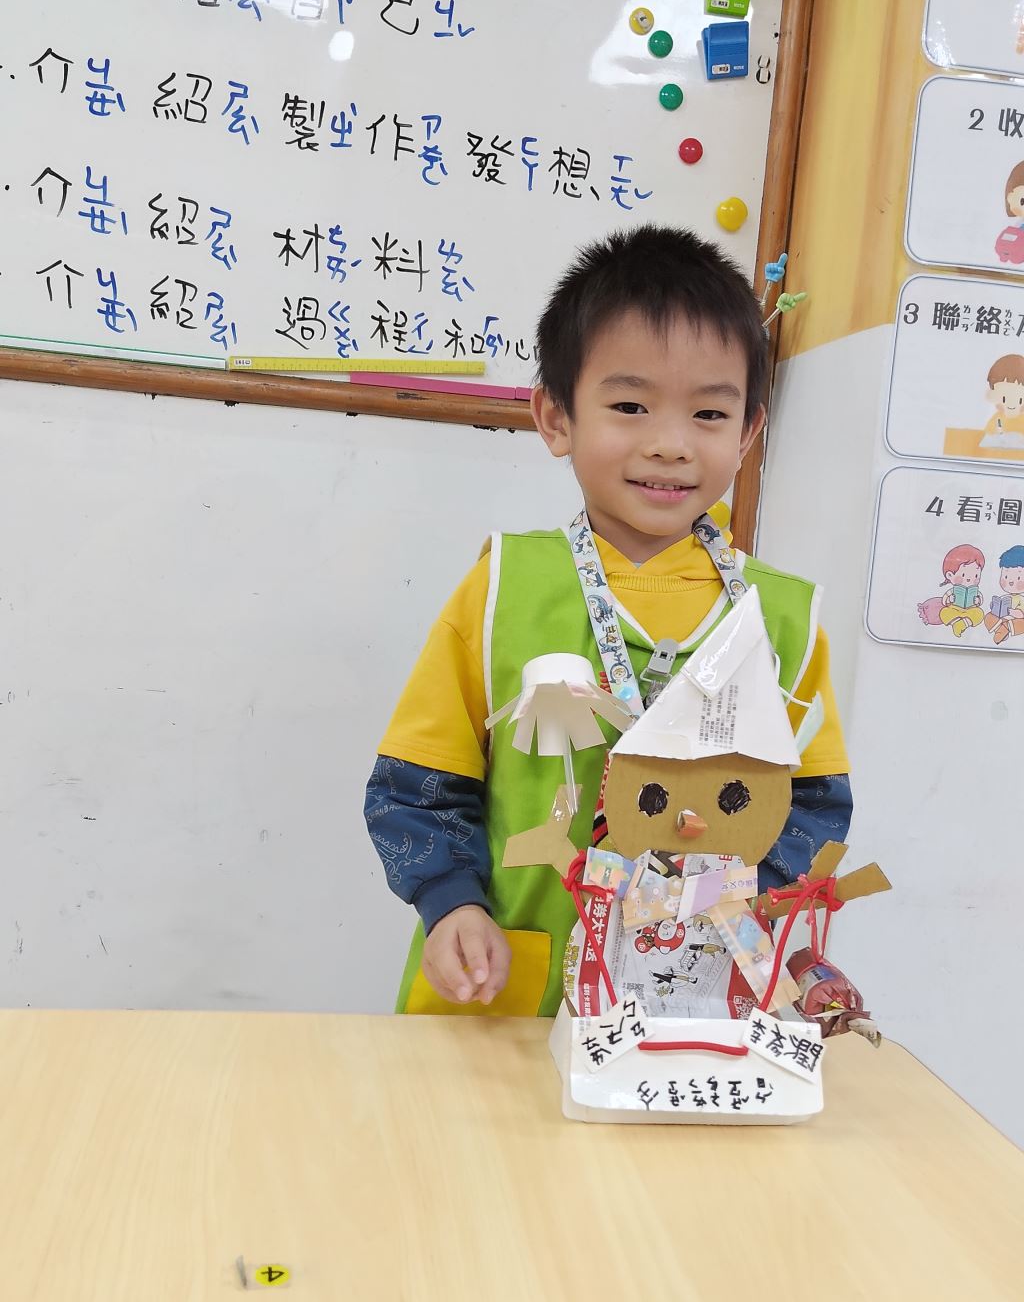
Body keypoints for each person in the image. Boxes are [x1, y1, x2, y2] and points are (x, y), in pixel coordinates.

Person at [365, 225, 852, 1014]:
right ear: (556, 417)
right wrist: (451, 903)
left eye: (708, 413)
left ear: (748, 433)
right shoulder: (504, 589)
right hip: (506, 1001)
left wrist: (738, 907)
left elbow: (816, 806)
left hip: (686, 1013)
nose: (670, 444)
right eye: (630, 406)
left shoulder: (785, 620)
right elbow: (417, 787)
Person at [938, 544, 985, 638]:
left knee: (979, 613)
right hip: (954, 608)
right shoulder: (952, 590)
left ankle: (963, 623)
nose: (969, 579)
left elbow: (980, 600)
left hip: (970, 609)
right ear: (950, 575)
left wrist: (978, 601)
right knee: (944, 612)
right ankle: (956, 623)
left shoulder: (975, 591)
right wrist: (949, 599)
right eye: (963, 575)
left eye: (976, 576)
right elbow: (944, 600)